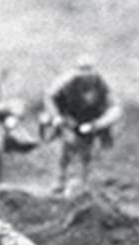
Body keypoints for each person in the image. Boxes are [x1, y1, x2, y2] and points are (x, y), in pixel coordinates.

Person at [44, 54, 123, 196]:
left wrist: (96, 125)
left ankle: (84, 181)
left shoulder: (103, 84)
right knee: (68, 145)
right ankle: (60, 179)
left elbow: (115, 108)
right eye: (82, 70)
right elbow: (49, 96)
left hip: (91, 119)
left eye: (89, 70)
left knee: (88, 152)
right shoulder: (66, 81)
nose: (86, 74)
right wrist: (56, 116)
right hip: (69, 116)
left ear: (95, 71)